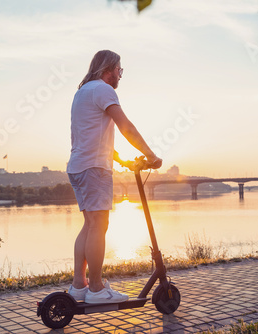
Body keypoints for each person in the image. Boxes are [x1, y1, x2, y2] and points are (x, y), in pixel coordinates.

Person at [66, 50, 162, 304]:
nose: (120, 75)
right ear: (109, 69)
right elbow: (125, 126)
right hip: (95, 168)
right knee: (99, 226)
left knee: (89, 225)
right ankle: (96, 289)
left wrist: (119, 160)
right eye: (119, 70)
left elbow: (90, 135)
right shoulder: (104, 89)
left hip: (78, 166)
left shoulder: (82, 92)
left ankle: (79, 285)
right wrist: (150, 154)